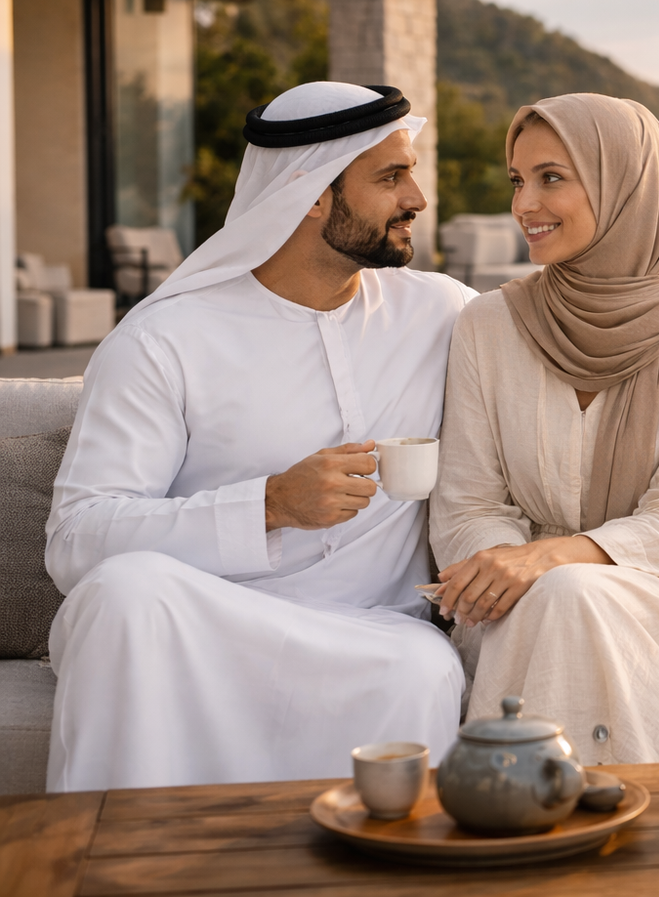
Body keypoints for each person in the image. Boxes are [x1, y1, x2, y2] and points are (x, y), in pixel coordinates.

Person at [45, 82, 473, 791]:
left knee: (424, 668)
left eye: (411, 174)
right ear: (308, 193)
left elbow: (571, 341)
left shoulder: (444, 314)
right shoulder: (163, 342)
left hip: (374, 637)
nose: (417, 200)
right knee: (124, 593)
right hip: (209, 628)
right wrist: (268, 503)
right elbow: (76, 542)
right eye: (391, 178)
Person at [429, 93, 659, 765]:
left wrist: (547, 559)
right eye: (518, 181)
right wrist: (502, 568)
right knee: (562, 599)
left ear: (626, 184)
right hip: (509, 597)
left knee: (567, 591)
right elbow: (467, 505)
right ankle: (658, 817)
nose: (524, 205)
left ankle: (510, 820)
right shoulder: (487, 325)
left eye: (552, 178)